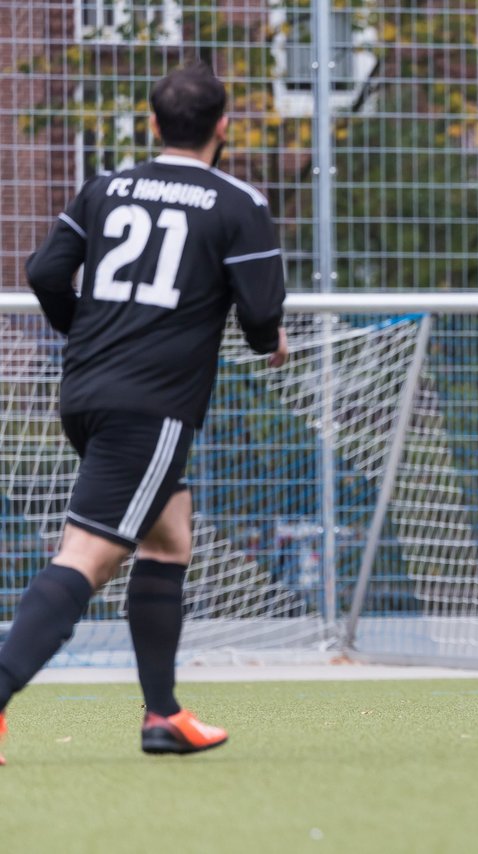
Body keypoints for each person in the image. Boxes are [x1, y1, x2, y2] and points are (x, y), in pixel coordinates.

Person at [0, 63, 288, 764]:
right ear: (224, 127)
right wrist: (267, 342)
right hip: (151, 405)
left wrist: (87, 332)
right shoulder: (236, 201)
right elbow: (259, 314)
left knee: (167, 538)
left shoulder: (106, 187)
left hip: (86, 392)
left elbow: (43, 270)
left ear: (152, 124)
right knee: (87, 557)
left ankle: (162, 715)